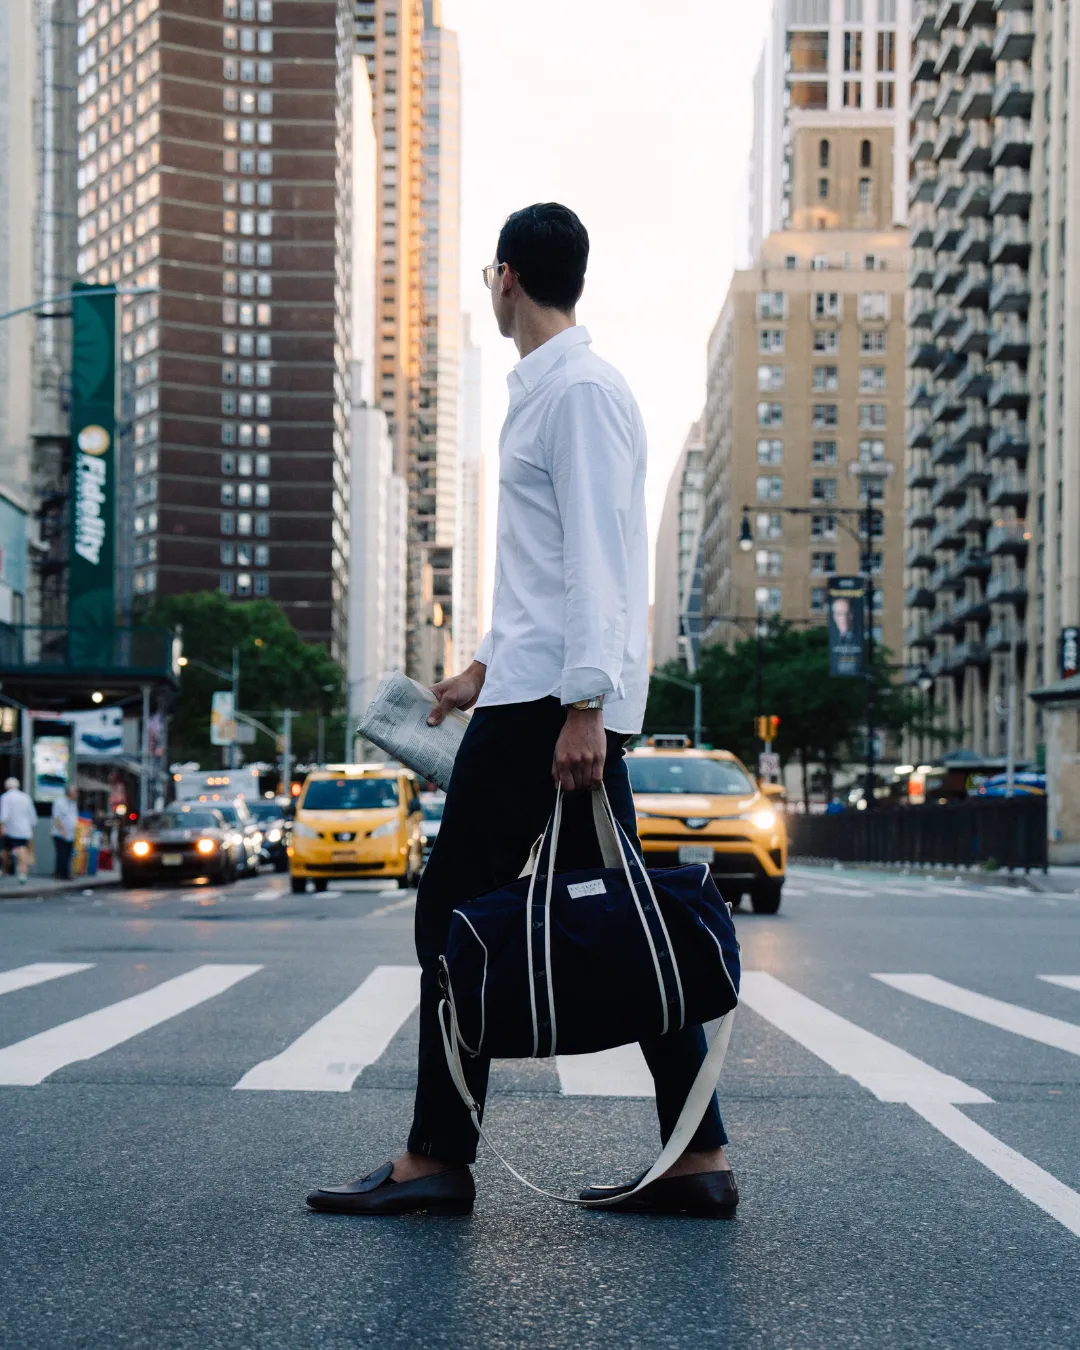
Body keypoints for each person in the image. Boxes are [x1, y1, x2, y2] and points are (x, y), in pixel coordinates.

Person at [307, 202, 737, 1220]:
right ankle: (698, 1153)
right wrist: (478, 670)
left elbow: (601, 562)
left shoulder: (578, 392)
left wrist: (583, 705)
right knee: (628, 924)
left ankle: (435, 1158)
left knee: (448, 913)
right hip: (537, 691)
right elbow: (550, 577)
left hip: (554, 711)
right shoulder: (550, 392)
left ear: (506, 278)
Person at [0, 776, 38, 886]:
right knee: (22, 850)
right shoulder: (26, 797)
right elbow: (32, 816)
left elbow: (4, 815)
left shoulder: (5, 797)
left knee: (4, 850)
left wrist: (1, 826)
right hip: (24, 829)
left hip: (10, 829)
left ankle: (4, 870)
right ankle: (22, 874)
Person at [51, 785, 79, 880]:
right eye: (75, 792)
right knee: (61, 854)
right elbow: (57, 818)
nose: (76, 794)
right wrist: (63, 830)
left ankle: (64, 873)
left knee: (67, 854)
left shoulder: (73, 803)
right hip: (60, 833)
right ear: (70, 793)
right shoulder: (59, 802)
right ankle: (61, 874)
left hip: (70, 833)